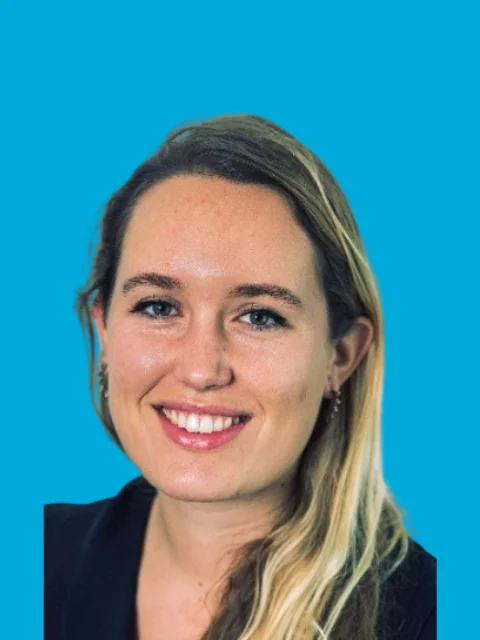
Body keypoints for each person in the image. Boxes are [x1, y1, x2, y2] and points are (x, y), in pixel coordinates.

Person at [44, 114, 436, 640]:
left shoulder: (432, 617)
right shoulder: (37, 560)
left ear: (341, 356)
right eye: (159, 307)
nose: (201, 369)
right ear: (106, 330)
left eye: (260, 316)